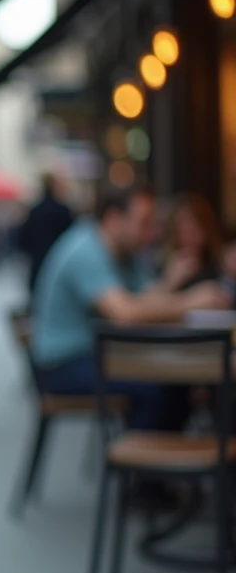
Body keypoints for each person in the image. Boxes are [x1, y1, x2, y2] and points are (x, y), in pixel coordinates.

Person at [32, 186, 229, 433]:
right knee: (156, 388)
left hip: (97, 353)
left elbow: (145, 301)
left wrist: (171, 282)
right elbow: (125, 313)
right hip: (64, 365)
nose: (151, 233)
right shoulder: (86, 250)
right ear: (114, 219)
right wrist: (190, 301)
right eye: (144, 223)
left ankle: (162, 452)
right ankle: (140, 456)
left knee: (174, 381)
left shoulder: (125, 253)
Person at [17, 172, 74, 295]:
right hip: (56, 263)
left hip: (38, 264)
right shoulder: (63, 211)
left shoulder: (34, 211)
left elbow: (23, 240)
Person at [162, 192, 226, 292]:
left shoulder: (219, 264)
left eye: (194, 229)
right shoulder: (164, 264)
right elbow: (148, 298)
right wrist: (170, 281)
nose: (188, 236)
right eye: (182, 230)